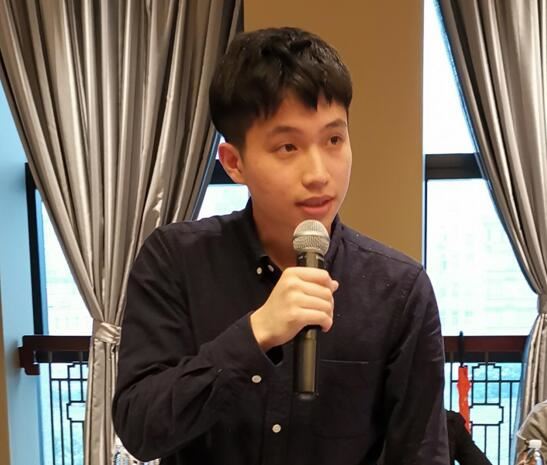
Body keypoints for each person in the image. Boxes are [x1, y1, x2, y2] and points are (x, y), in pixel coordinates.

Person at [112, 27, 449, 465]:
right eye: (288, 147)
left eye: (334, 140)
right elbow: (139, 428)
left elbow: (420, 453)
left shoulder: (400, 289)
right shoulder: (175, 261)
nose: (319, 174)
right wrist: (255, 334)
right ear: (234, 163)